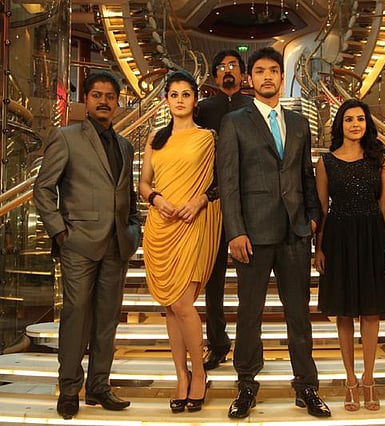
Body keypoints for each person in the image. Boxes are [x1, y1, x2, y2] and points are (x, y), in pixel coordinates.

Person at [217, 47, 331, 419]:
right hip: (252, 233)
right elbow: (228, 182)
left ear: (282, 77)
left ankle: (306, 387)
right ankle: (246, 385)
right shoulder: (235, 122)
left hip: (295, 232)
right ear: (249, 79)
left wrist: (312, 216)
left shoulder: (298, 123)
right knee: (249, 315)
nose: (267, 76)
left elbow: (305, 174)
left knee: (299, 315)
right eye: (260, 71)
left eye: (274, 70)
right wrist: (235, 231)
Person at [33, 71, 142, 420]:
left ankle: (98, 386)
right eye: (97, 95)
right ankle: (69, 390)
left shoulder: (125, 145)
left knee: (107, 320)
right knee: (76, 317)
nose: (104, 101)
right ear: (86, 99)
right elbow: (43, 189)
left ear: (118, 102)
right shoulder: (66, 137)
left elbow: (128, 193)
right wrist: (60, 233)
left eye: (110, 96)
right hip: (78, 242)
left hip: (116, 244)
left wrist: (133, 229)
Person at [139, 70, 222, 413]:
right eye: (174, 95)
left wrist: (199, 201)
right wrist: (156, 199)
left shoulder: (208, 138)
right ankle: (181, 376)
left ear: (195, 99)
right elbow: (144, 184)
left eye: (186, 94)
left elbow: (220, 181)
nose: (179, 100)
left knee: (183, 303)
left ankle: (199, 373)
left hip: (195, 222)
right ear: (166, 100)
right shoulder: (155, 139)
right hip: (160, 224)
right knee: (171, 307)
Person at [314, 99, 385, 412]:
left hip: (373, 235)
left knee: (371, 312)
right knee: (344, 312)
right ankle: (350, 379)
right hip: (338, 238)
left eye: (360, 119)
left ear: (367, 124)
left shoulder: (381, 160)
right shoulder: (326, 162)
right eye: (349, 119)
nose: (355, 124)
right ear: (340, 125)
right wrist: (319, 247)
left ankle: (369, 378)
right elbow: (322, 209)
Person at [196, 49, 252, 371]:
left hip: (249, 203)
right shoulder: (203, 110)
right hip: (213, 203)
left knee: (250, 282)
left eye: (233, 66)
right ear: (215, 75)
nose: (227, 70)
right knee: (213, 280)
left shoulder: (254, 108)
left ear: (243, 74)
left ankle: (248, 346)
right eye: (222, 66)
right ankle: (217, 343)